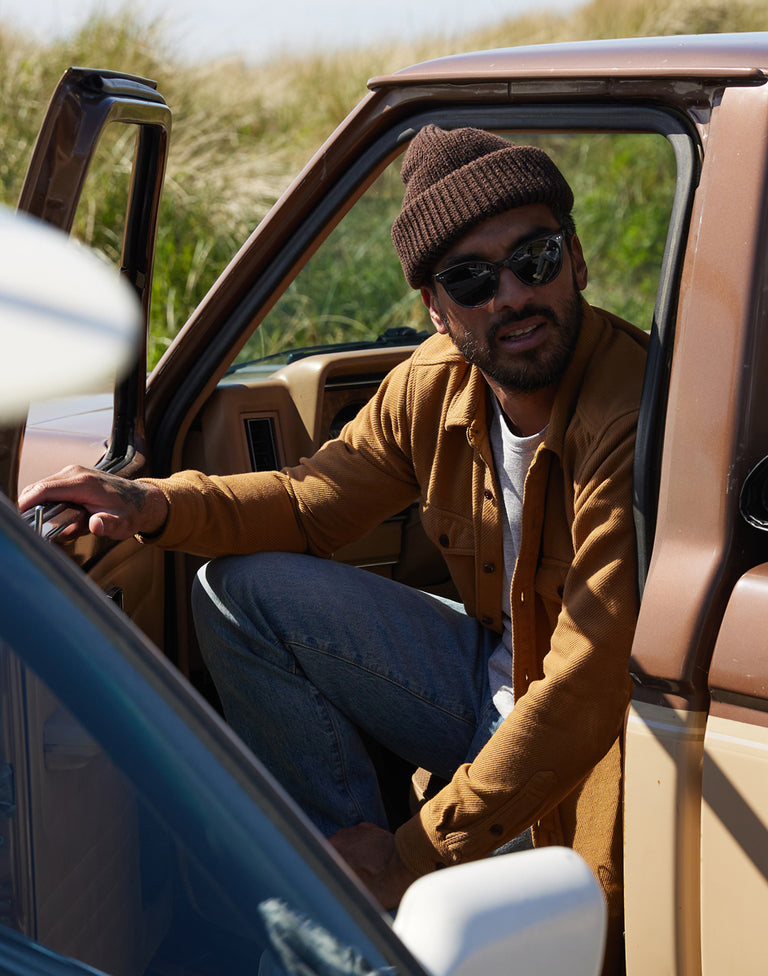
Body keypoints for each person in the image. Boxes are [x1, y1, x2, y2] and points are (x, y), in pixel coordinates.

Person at [19, 125, 648, 973]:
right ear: (436, 309)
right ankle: (342, 907)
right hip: (487, 676)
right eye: (471, 279)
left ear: (576, 259)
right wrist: (150, 501)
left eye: (533, 260)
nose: (510, 297)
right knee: (235, 592)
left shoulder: (630, 415)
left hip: (577, 739)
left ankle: (362, 913)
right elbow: (309, 502)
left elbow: (583, 687)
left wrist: (414, 852)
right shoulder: (435, 383)